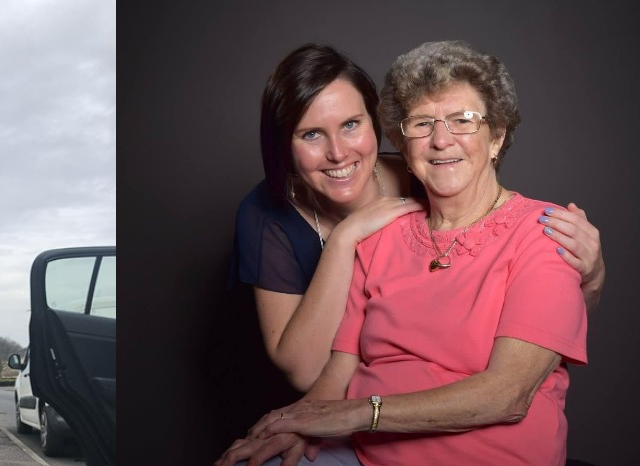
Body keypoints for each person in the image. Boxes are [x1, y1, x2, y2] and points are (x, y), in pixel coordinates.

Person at [198, 39, 589, 466]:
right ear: (400, 144)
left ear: (497, 136)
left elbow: (507, 394)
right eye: (421, 124)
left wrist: (353, 415)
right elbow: (337, 366)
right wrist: (298, 421)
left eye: (463, 120)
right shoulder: (381, 234)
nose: (441, 139)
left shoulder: (542, 237)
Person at [232, 43, 604, 391]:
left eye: (350, 125)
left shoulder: (432, 174)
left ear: (375, 124)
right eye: (311, 134)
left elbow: (525, 321)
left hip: (418, 407)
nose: (338, 152)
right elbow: (305, 372)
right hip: (326, 406)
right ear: (285, 144)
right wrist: (345, 238)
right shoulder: (267, 213)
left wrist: (591, 280)